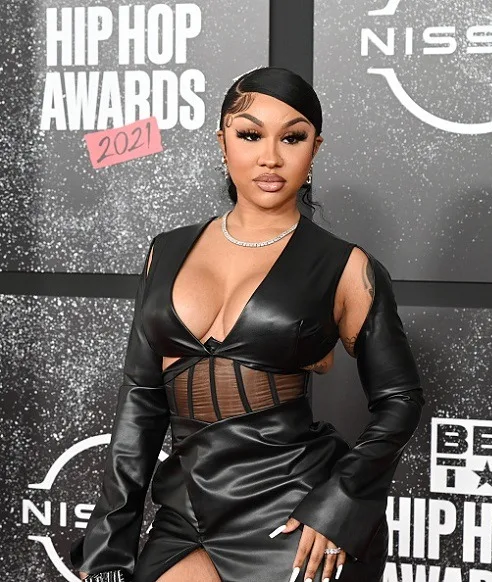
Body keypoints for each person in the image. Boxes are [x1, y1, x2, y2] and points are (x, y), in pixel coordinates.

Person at [69, 66, 424, 582]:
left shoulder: (347, 266)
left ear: (315, 148)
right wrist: (110, 537)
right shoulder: (165, 251)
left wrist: (341, 501)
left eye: (292, 137)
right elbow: (141, 401)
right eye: (250, 135)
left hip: (295, 511)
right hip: (186, 512)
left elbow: (400, 400)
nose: (270, 157)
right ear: (223, 141)